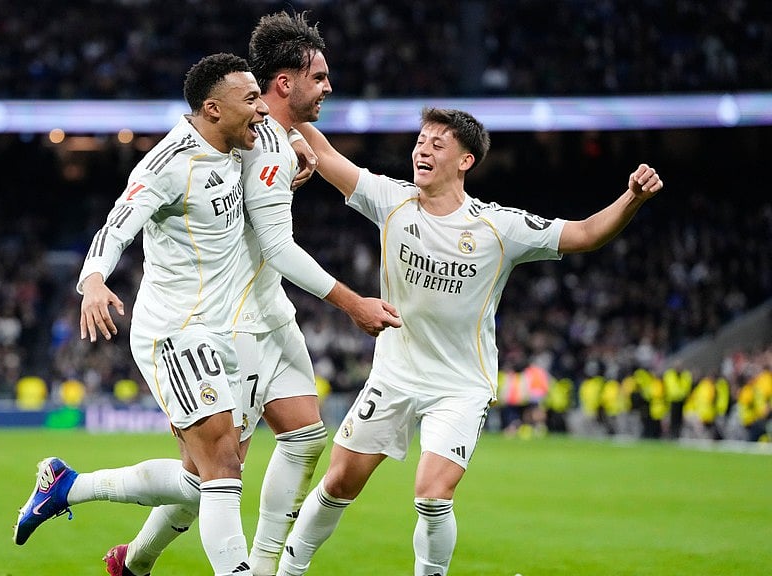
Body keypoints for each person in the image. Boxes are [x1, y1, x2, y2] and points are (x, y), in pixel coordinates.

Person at [13, 51, 396, 576]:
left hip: (226, 325)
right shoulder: (168, 165)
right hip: (175, 332)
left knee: (205, 478)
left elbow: (270, 153)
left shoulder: (244, 141)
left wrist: (292, 157)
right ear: (212, 110)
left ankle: (73, 489)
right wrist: (95, 280)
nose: (262, 109)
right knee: (221, 473)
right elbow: (116, 225)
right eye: (251, 100)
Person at [277, 108, 664, 576]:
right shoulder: (390, 199)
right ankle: (287, 571)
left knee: (432, 494)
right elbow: (325, 155)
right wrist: (287, 111)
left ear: (465, 161)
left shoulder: (498, 228)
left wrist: (631, 199)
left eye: (437, 144)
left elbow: (583, 234)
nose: (422, 150)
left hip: (460, 386)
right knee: (339, 482)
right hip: (395, 374)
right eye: (420, 141)